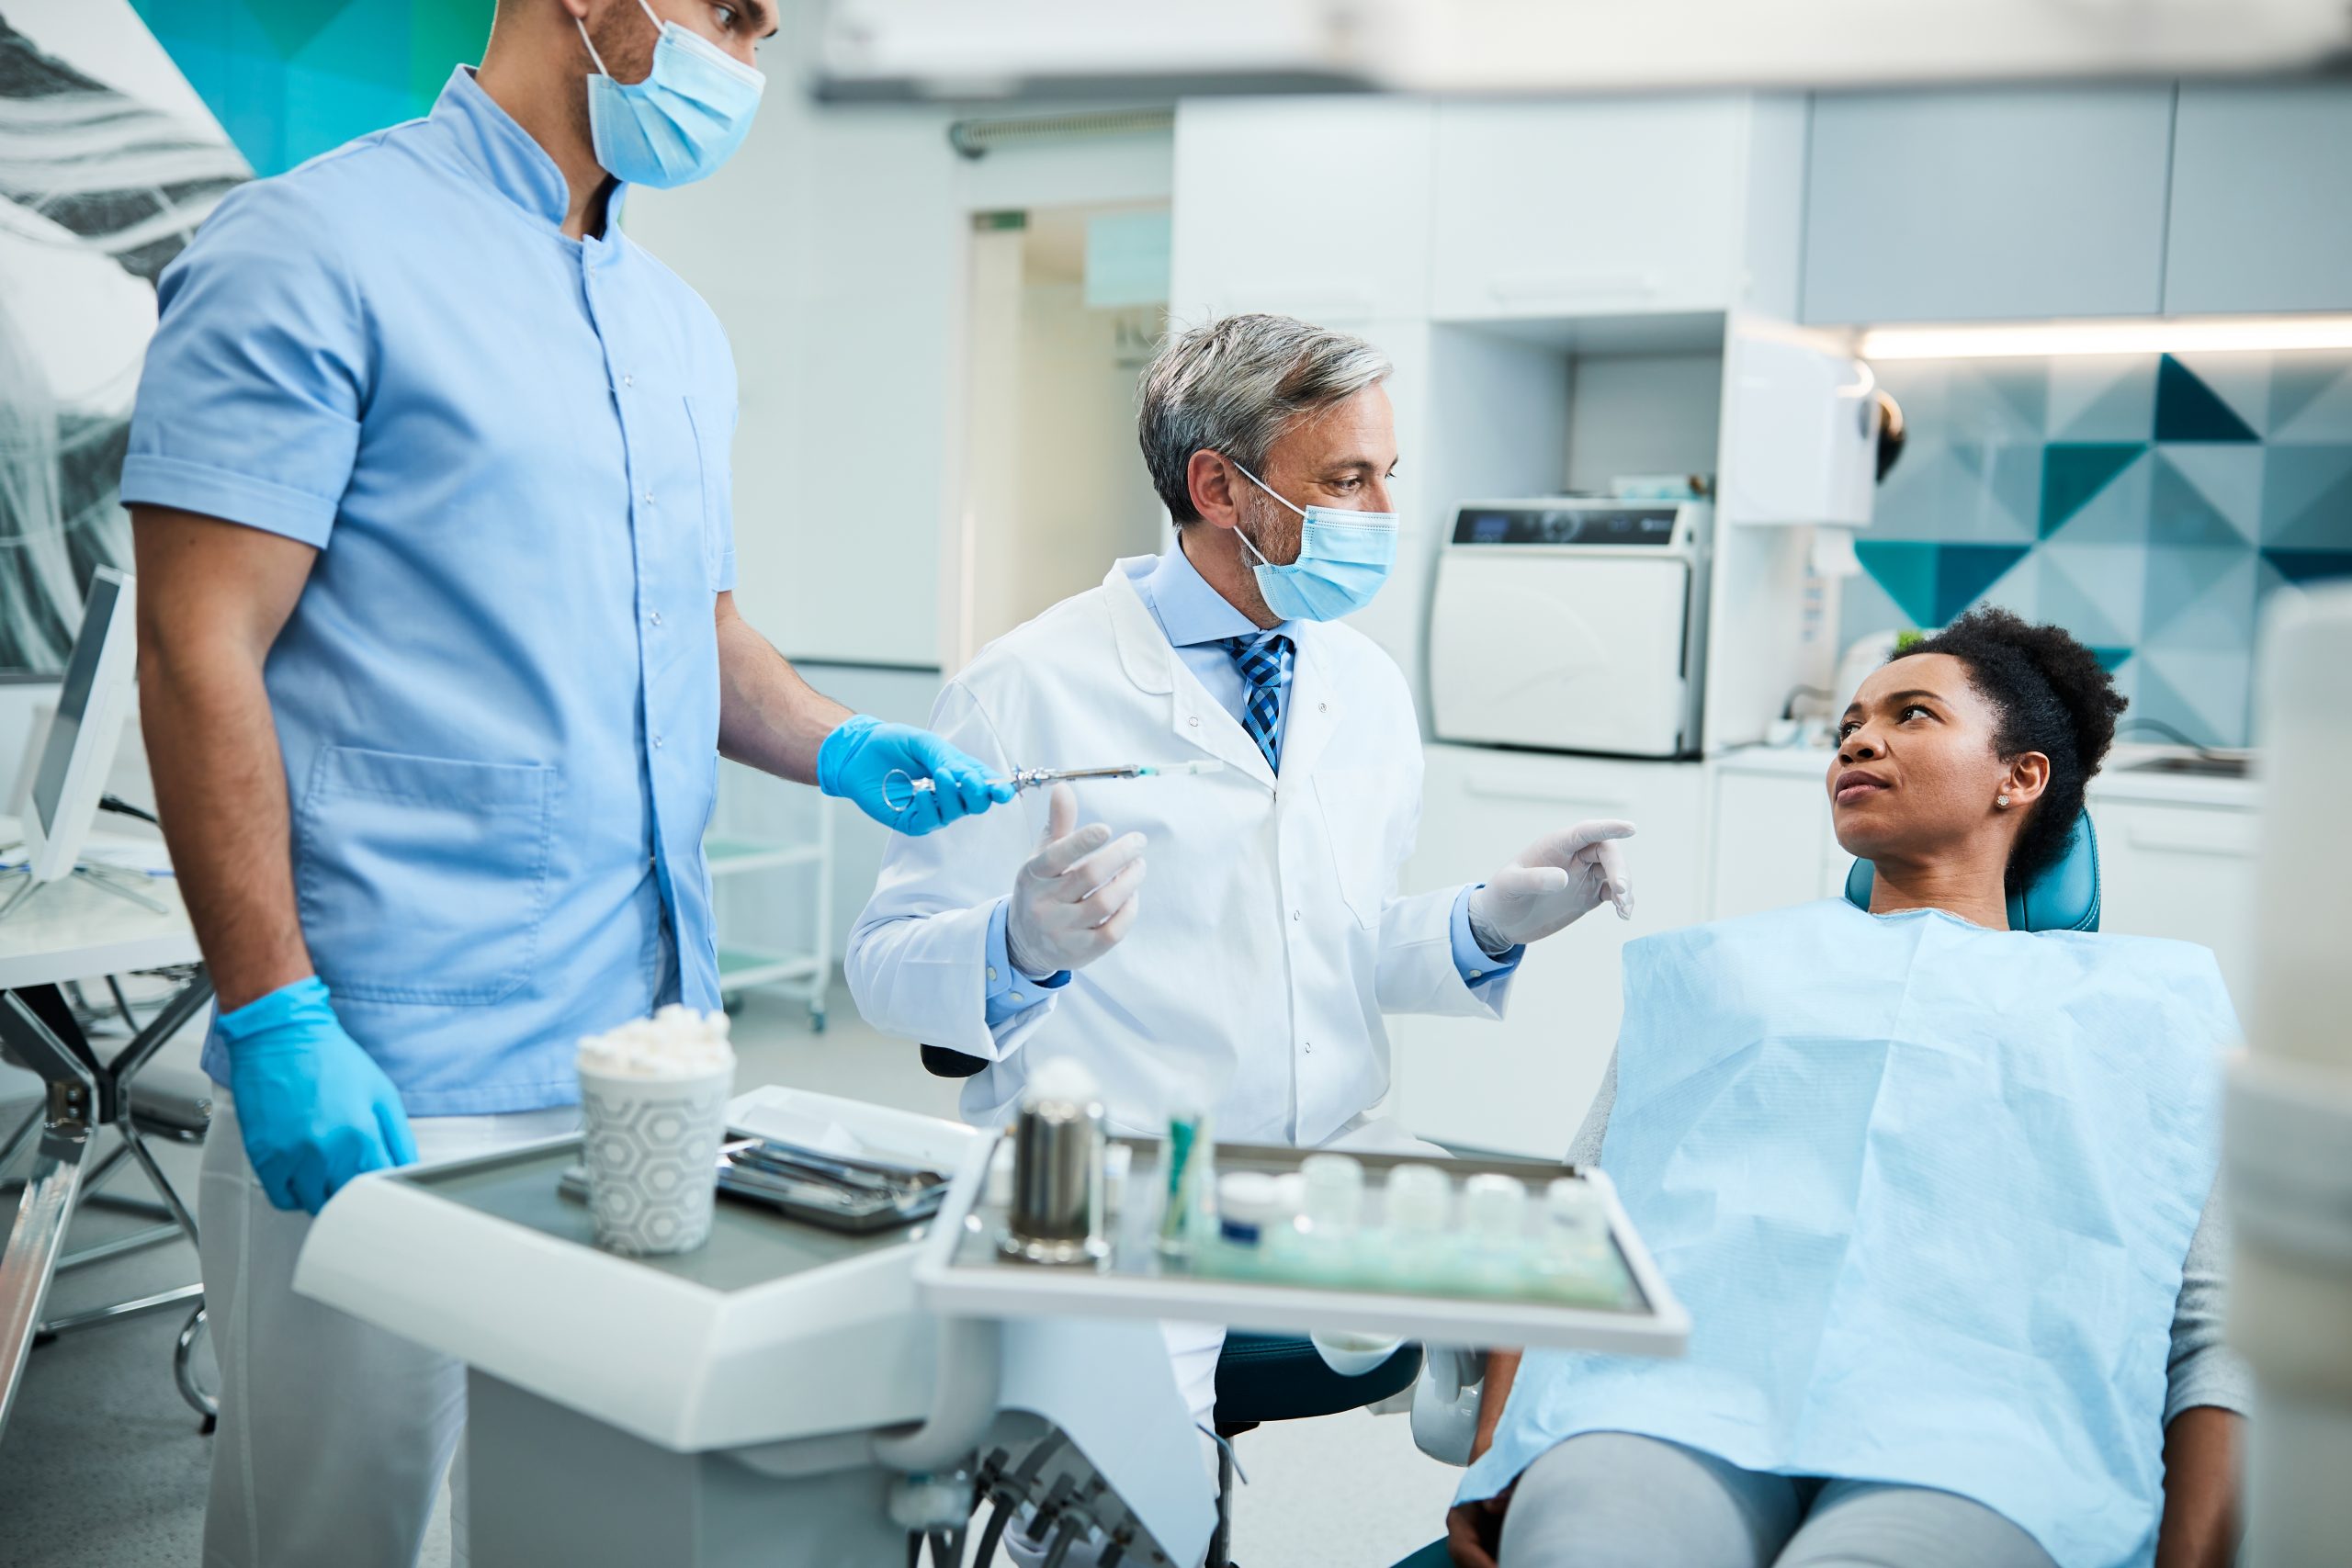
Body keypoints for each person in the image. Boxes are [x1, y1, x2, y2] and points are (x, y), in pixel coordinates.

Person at [121, 4, 1011, 1564]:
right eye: (728, 11)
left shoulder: (674, 325)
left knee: (592, 1522)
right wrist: (272, 1015)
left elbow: (700, 624)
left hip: (645, 1064)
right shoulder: (309, 247)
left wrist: (840, 741)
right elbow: (204, 648)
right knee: (341, 1536)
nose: (750, 51)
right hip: (395, 1061)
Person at [847, 312, 1636, 1457]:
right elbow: (882, 965)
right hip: (1114, 1194)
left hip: (1328, 1163)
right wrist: (1013, 945)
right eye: (1347, 480)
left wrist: (1482, 922)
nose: (1380, 515)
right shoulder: (1027, 685)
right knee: (1115, 1510)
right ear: (1219, 488)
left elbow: (1326, 939)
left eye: (1387, 477)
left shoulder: (1361, 683)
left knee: (1573, 1338)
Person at [1444, 608, 2246, 1568]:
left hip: (1988, 1442)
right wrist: (1493, 1455)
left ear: (2019, 776)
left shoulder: (2148, 1007)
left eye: (1912, 715)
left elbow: (2218, 1331)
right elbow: (1564, 1221)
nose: (1859, 739)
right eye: (1849, 727)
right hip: (1664, 1400)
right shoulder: (1723, 971)